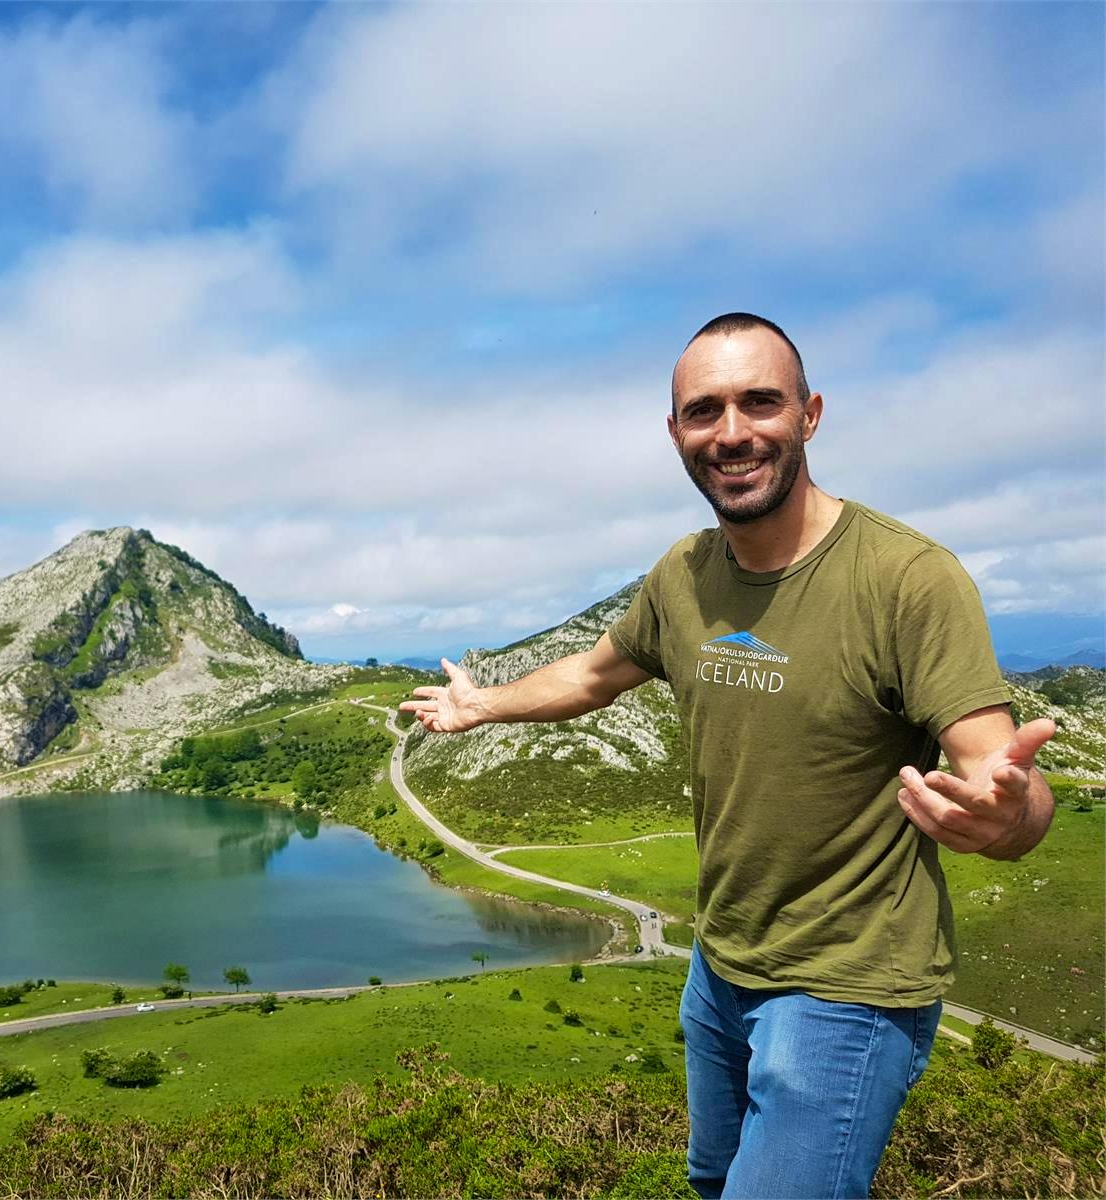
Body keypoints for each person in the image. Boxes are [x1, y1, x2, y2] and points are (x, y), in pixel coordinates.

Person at [400, 313, 1055, 1199]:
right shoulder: (685, 573)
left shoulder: (907, 579)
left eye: (761, 402)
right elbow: (594, 676)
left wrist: (1012, 815)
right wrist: (481, 704)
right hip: (722, 966)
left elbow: (997, 774)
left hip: (847, 987)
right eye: (705, 411)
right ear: (676, 433)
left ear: (811, 415)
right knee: (713, 1180)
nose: (733, 432)